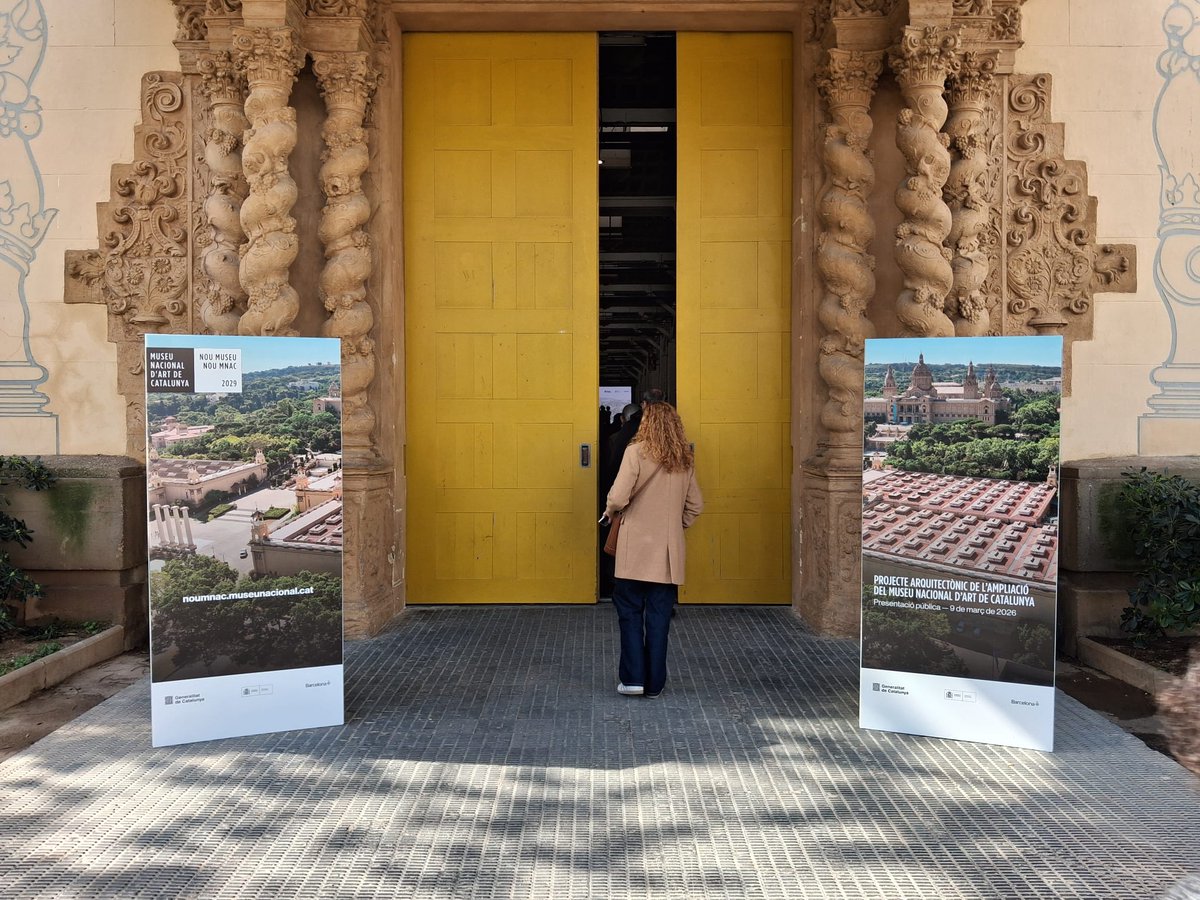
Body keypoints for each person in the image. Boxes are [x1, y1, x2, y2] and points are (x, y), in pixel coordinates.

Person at [602, 402, 702, 698]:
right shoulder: (684, 459)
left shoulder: (635, 452)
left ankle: (633, 679)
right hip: (667, 554)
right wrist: (674, 527)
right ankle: (655, 684)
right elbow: (696, 505)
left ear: (646, 423)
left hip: (634, 548)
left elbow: (618, 498)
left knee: (629, 612)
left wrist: (610, 511)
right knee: (659, 619)